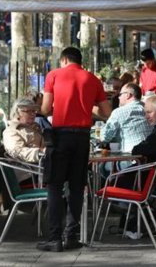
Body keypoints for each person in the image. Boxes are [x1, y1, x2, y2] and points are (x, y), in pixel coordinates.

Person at [39, 47, 111, 252]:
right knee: (77, 187)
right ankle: (71, 236)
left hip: (60, 136)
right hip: (82, 137)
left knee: (54, 186)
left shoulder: (53, 75)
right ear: (80, 61)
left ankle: (54, 238)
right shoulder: (92, 79)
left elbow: (45, 109)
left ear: (63, 60)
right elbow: (106, 112)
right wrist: (86, 107)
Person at [100, 83, 152, 158]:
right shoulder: (149, 109)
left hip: (130, 160)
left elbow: (104, 137)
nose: (118, 97)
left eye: (120, 94)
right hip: (151, 160)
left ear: (128, 95)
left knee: (101, 165)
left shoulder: (119, 112)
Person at [3, 97, 45, 166]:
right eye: (28, 111)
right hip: (30, 171)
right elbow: (18, 152)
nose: (33, 114)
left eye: (34, 111)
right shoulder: (11, 131)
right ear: (17, 113)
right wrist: (42, 152)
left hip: (42, 164)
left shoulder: (34, 126)